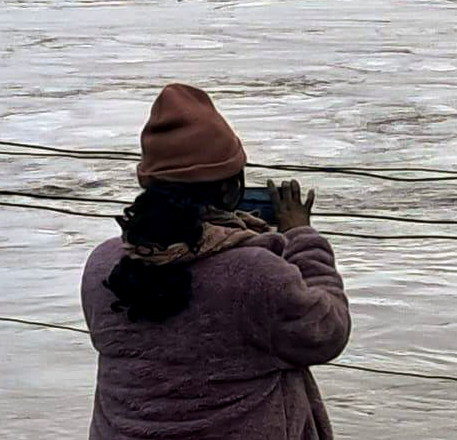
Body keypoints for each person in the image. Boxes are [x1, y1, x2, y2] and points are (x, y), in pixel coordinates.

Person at [82, 84, 350, 440]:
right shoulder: (255, 274)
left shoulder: (102, 265)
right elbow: (328, 332)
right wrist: (302, 237)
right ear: (229, 190)